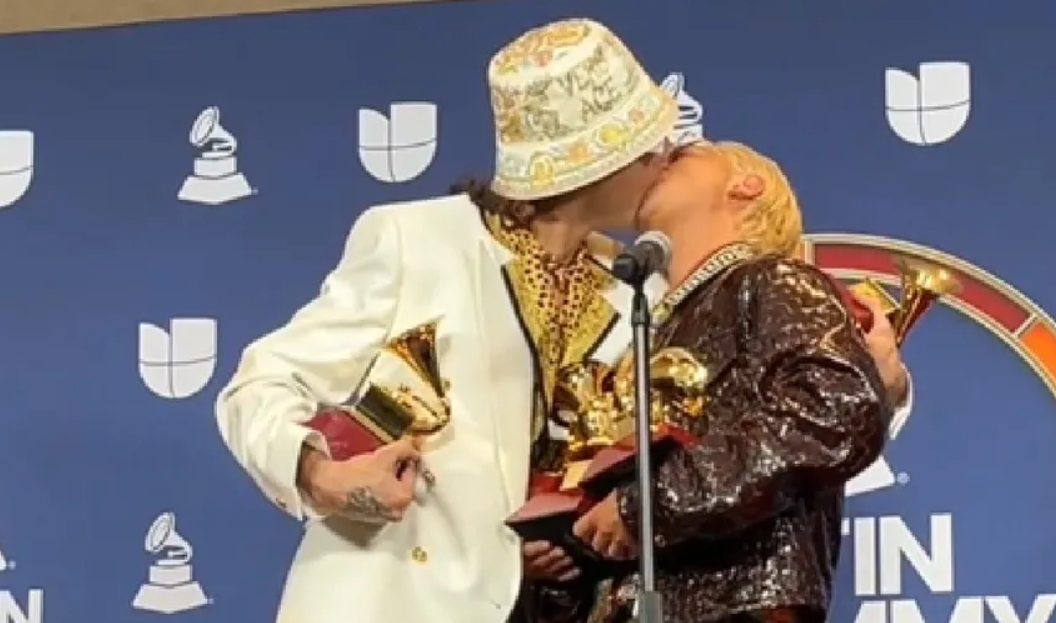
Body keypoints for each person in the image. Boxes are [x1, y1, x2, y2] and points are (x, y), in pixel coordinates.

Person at [214, 17, 910, 623]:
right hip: (398, 597)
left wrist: (888, 382)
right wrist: (320, 474)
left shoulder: (640, 290)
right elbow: (261, 382)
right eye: (651, 143)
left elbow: (768, 422)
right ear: (602, 159)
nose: (666, 154)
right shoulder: (416, 239)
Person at [524, 141, 899, 623]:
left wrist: (646, 506)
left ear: (746, 186)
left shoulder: (774, 282)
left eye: (682, 154)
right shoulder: (645, 332)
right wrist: (568, 556)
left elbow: (834, 410)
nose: (658, 162)